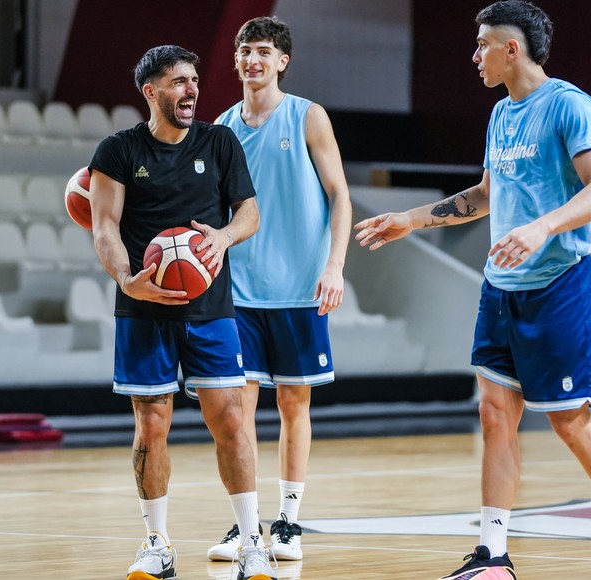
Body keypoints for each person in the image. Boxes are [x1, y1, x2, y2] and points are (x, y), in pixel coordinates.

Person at [354, 2, 591, 579]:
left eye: (481, 46)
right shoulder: (501, 114)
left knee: (568, 420)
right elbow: (485, 195)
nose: (474, 57)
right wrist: (413, 219)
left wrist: (542, 226)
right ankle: (493, 555)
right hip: (501, 289)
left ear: (511, 49)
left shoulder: (570, 106)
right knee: (495, 414)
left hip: (558, 284)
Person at [89, 45, 277, 580]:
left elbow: (249, 212)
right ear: (151, 92)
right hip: (142, 308)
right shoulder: (118, 150)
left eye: (194, 80)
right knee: (151, 425)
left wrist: (223, 236)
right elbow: (104, 228)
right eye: (178, 82)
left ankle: (251, 544)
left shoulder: (219, 142)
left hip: (211, 308)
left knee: (231, 421)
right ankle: (157, 545)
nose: (191, 90)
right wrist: (130, 281)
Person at [207, 16, 352, 563]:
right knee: (235, 411)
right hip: (239, 290)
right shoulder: (222, 127)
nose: (252, 60)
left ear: (282, 61)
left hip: (298, 288)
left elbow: (340, 196)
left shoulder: (308, 116)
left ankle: (288, 520)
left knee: (294, 403)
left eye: (263, 51)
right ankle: (245, 524)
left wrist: (334, 266)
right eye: (245, 51)